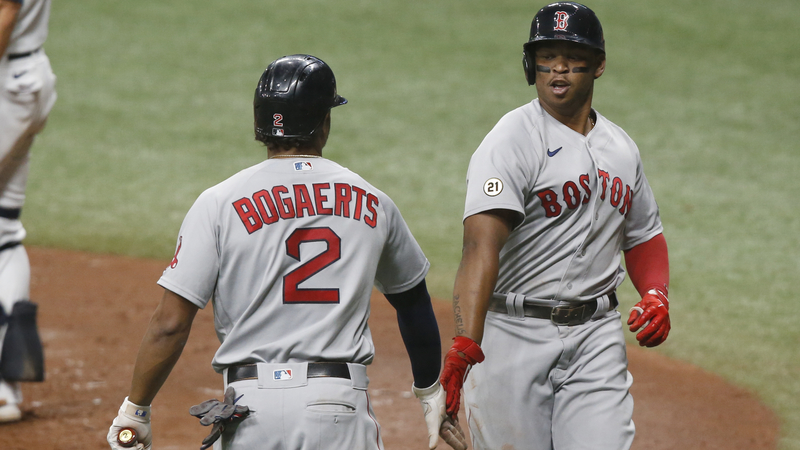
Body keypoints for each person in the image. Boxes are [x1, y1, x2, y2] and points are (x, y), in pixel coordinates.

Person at [106, 54, 466, 450]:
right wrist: (430, 392)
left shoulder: (218, 202)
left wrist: (135, 409)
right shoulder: (373, 201)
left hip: (250, 409)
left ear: (260, 124)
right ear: (323, 123)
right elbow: (414, 303)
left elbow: (170, 324)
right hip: (337, 406)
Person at [439, 3, 671, 449]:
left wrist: (656, 293)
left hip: (596, 335)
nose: (558, 67)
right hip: (512, 335)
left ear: (599, 65)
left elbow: (643, 234)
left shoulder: (621, 147)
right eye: (547, 55)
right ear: (532, 65)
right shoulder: (511, 140)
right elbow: (479, 247)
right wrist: (465, 344)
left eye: (571, 54)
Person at [0, 0, 56, 423]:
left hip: (7, 80)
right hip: (26, 76)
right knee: (4, 228)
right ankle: (5, 388)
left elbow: (6, 9)